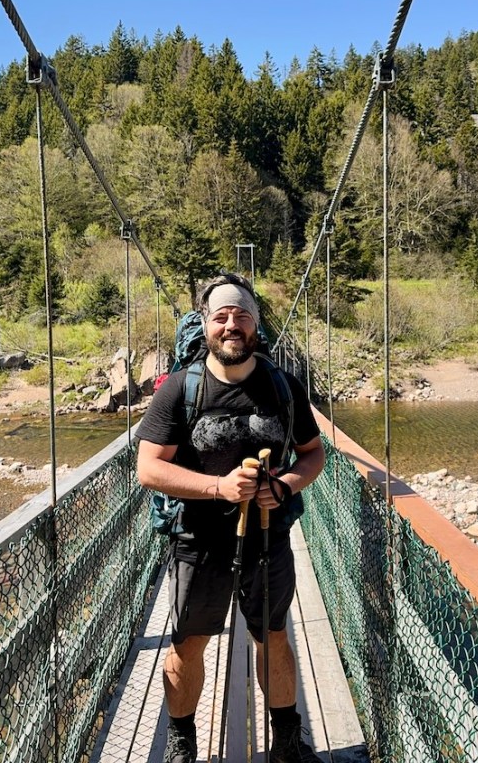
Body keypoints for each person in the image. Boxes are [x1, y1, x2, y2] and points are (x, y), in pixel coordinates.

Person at [137, 272, 326, 763]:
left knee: (274, 635)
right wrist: (217, 488)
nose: (231, 324)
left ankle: (286, 742)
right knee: (189, 641)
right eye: (220, 316)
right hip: (198, 543)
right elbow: (149, 468)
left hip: (269, 538)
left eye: (241, 314)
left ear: (256, 324)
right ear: (205, 326)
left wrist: (284, 485)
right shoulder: (180, 389)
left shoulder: (284, 387)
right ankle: (182, 744)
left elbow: (312, 454)